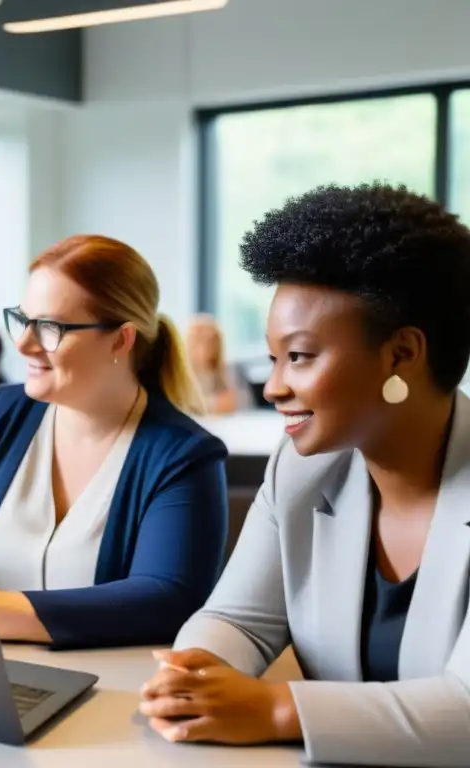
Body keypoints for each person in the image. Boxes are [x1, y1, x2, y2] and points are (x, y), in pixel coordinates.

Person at [139, 184, 470, 767]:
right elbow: (236, 618)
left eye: (300, 356)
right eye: (272, 358)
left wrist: (273, 710)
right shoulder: (301, 469)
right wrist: (193, 674)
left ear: (402, 355)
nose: (273, 388)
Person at [0, 235, 229, 649]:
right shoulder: (5, 413)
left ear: (121, 339)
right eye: (23, 319)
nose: (22, 343)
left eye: (51, 327)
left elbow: (169, 597)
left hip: (108, 690)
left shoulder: (182, 455)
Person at [185, 314, 246, 414]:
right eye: (198, 340)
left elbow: (231, 403)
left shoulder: (227, 371)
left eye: (210, 340)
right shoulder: (180, 373)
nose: (204, 347)